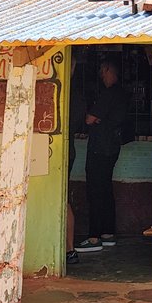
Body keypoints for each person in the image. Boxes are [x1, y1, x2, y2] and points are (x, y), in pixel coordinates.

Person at [75, 60, 128, 253]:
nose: (99, 74)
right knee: (105, 189)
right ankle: (107, 233)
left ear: (106, 70)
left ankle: (94, 237)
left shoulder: (108, 93)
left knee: (95, 191)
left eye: (100, 70)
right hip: (112, 148)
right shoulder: (121, 93)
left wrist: (95, 117)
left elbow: (89, 119)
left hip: (100, 148)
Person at [66, 56, 86, 265]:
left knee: (63, 200)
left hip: (63, 151)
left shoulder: (70, 95)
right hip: (66, 149)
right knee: (64, 200)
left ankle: (69, 248)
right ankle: (69, 249)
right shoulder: (76, 97)